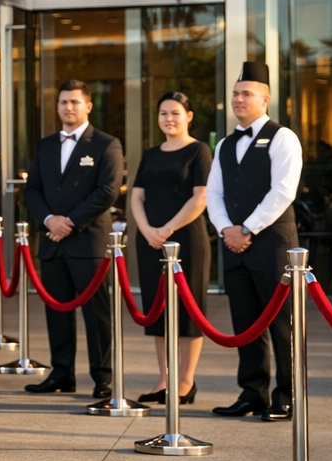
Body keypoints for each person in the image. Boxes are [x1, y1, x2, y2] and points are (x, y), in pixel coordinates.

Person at [207, 62, 303, 422]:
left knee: (281, 322)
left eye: (246, 93)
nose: (238, 99)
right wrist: (226, 230)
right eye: (235, 93)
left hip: (272, 243)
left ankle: (288, 396)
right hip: (233, 243)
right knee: (245, 322)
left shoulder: (283, 137)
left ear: (265, 98)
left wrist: (246, 228)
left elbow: (283, 191)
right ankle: (253, 393)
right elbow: (213, 192)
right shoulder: (226, 143)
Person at [21, 80, 124, 398]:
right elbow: (33, 189)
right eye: (63, 102)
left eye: (75, 102)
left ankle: (103, 379)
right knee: (57, 312)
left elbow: (106, 192)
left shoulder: (106, 144)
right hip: (52, 241)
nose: (68, 107)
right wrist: (50, 220)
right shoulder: (46, 145)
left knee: (97, 316)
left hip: (88, 242)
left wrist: (70, 222)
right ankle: (62, 374)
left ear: (88, 106)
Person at [128, 92, 212, 405]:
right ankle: (164, 380)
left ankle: (185, 382)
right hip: (150, 241)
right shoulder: (150, 154)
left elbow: (200, 197)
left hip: (185, 239)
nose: (169, 119)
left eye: (175, 113)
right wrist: (148, 230)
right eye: (163, 113)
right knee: (157, 312)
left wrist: (167, 229)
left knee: (188, 312)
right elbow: (137, 197)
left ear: (188, 116)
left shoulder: (199, 150)